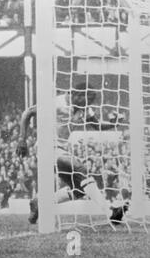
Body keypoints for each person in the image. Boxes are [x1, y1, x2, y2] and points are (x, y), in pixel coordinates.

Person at [16, 83, 128, 225]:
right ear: (76, 95)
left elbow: (97, 125)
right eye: (86, 100)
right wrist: (22, 139)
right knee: (80, 168)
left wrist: (114, 123)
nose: (87, 104)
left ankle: (40, 203)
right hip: (46, 147)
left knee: (79, 190)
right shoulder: (57, 102)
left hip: (61, 149)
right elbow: (28, 112)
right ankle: (110, 213)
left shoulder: (83, 107)